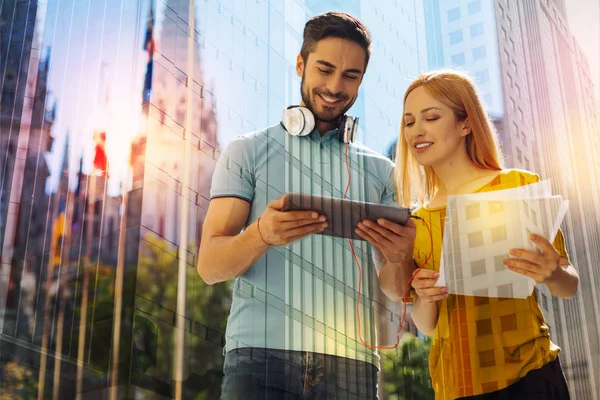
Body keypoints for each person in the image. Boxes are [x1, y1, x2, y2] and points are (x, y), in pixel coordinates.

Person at [197, 12, 415, 400]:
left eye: (350, 75)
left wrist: (400, 260)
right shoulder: (245, 152)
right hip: (259, 361)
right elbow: (210, 266)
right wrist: (261, 235)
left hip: (353, 366)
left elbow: (396, 292)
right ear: (301, 64)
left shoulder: (384, 173)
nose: (335, 86)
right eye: (325, 69)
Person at [383, 70, 579, 399]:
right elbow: (427, 325)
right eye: (409, 121)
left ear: (465, 123)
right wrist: (426, 296)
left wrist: (553, 272)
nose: (417, 130)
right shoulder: (416, 221)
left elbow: (569, 285)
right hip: (455, 388)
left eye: (431, 117)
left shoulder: (517, 185)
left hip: (530, 376)